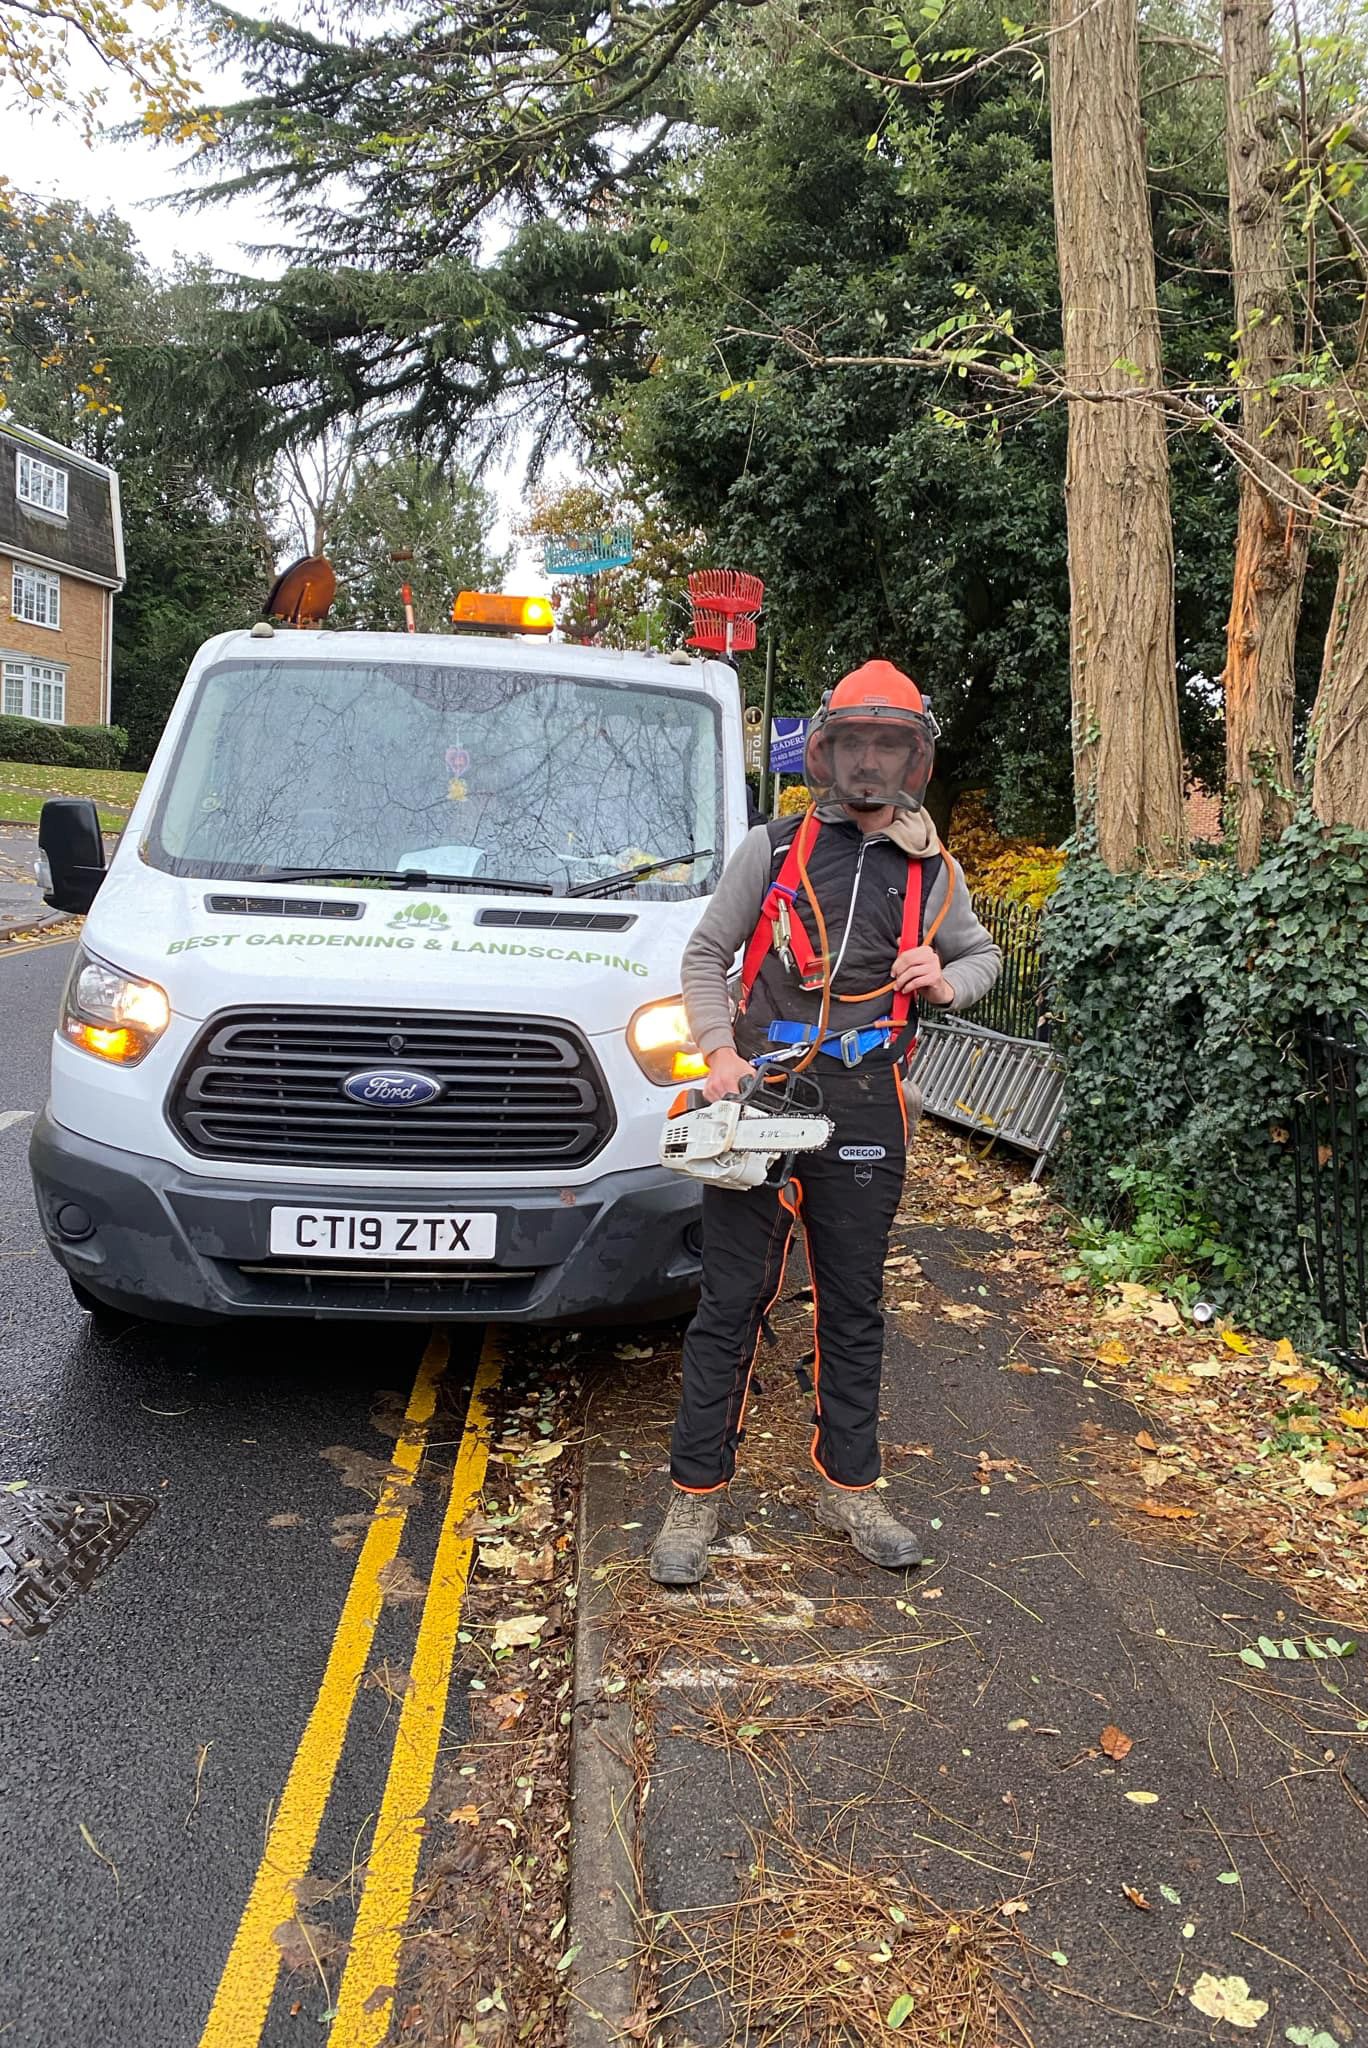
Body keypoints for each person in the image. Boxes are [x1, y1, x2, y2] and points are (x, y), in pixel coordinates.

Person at [650, 661, 1003, 1585]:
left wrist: (948, 978)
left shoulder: (936, 871)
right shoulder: (770, 851)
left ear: (914, 757)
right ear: (828, 751)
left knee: (853, 1305)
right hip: (762, 1092)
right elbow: (706, 953)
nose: (871, 763)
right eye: (856, 744)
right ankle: (695, 1500)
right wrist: (721, 1055)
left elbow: (983, 956)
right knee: (731, 1301)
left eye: (890, 745)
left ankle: (850, 1488)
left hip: (868, 1100)